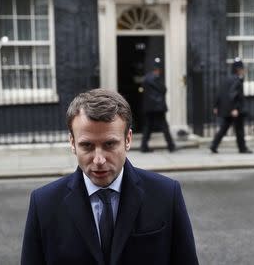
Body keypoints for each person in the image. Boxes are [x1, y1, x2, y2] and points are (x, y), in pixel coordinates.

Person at [21, 89, 198, 265]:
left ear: (128, 139)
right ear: (72, 143)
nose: (99, 160)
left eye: (110, 144)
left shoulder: (166, 195)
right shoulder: (43, 204)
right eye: (87, 145)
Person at [210, 57, 253, 154]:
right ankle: (242, 148)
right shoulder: (237, 80)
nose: (244, 70)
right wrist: (234, 108)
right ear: (238, 69)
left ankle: (214, 145)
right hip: (235, 110)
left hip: (226, 109)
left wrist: (216, 106)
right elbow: (232, 94)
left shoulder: (226, 78)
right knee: (239, 130)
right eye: (242, 68)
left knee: (224, 128)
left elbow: (219, 93)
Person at [140, 58, 176, 153]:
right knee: (164, 126)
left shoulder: (146, 78)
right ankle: (171, 146)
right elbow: (163, 89)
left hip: (148, 107)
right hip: (158, 107)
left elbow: (144, 91)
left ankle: (144, 146)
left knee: (148, 126)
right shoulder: (157, 78)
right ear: (157, 70)